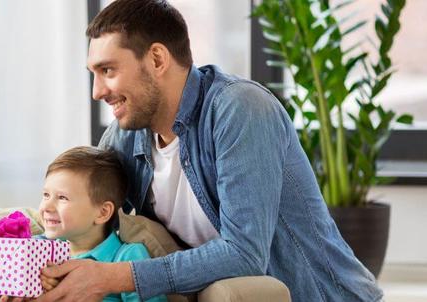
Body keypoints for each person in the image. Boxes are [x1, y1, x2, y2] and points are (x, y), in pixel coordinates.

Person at [37, 1, 383, 301]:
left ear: (157, 59)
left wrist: (114, 277)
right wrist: (25, 257)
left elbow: (245, 253)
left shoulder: (240, 110)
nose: (97, 91)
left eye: (108, 70)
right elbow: (83, 209)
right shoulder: (125, 136)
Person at [0, 147, 165, 302]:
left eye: (62, 198)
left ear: (102, 212)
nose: (46, 206)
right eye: (46, 195)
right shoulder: (34, 249)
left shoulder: (127, 258)